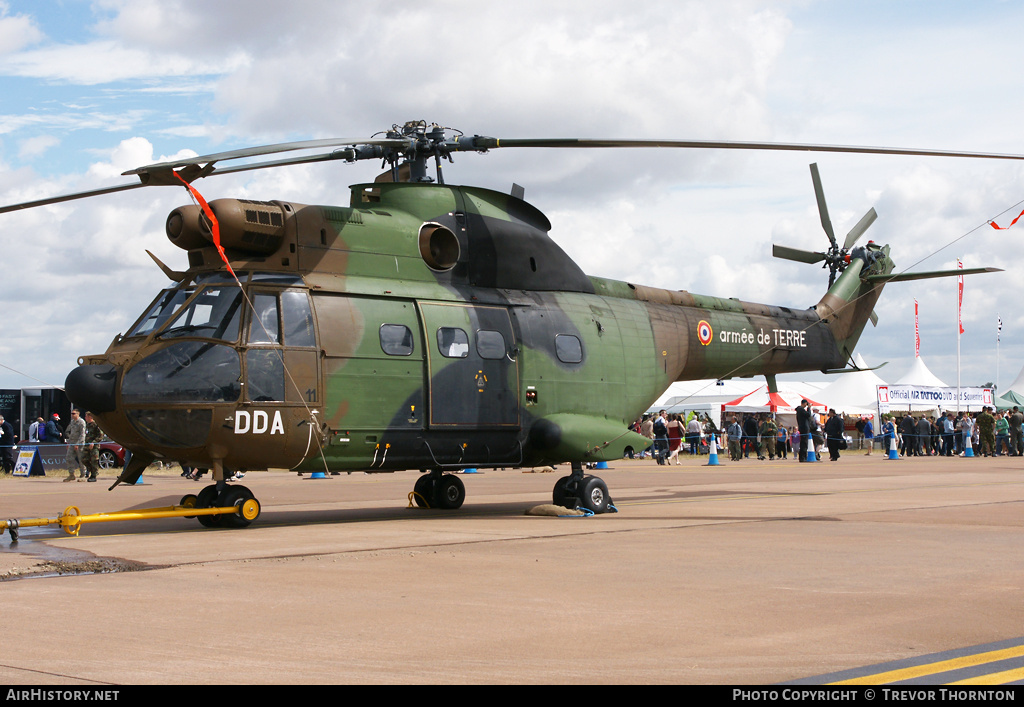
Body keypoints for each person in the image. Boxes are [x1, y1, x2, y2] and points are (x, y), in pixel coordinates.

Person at [63, 408, 87, 482]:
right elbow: (71, 433)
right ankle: (71, 475)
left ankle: (83, 475)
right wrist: (68, 442)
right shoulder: (72, 422)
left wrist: (78, 444)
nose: (72, 415)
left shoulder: (81, 422)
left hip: (79, 444)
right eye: (72, 413)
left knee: (81, 459)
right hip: (72, 443)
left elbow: (82, 434)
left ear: (78, 414)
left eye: (74, 413)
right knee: (68, 458)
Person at [82, 411, 103, 482]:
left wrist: (93, 442)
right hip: (87, 445)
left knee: (94, 460)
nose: (85, 418)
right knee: (83, 459)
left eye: (86, 416)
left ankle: (94, 475)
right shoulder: (87, 425)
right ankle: (92, 470)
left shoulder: (96, 425)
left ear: (90, 417)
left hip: (94, 446)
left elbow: (100, 435)